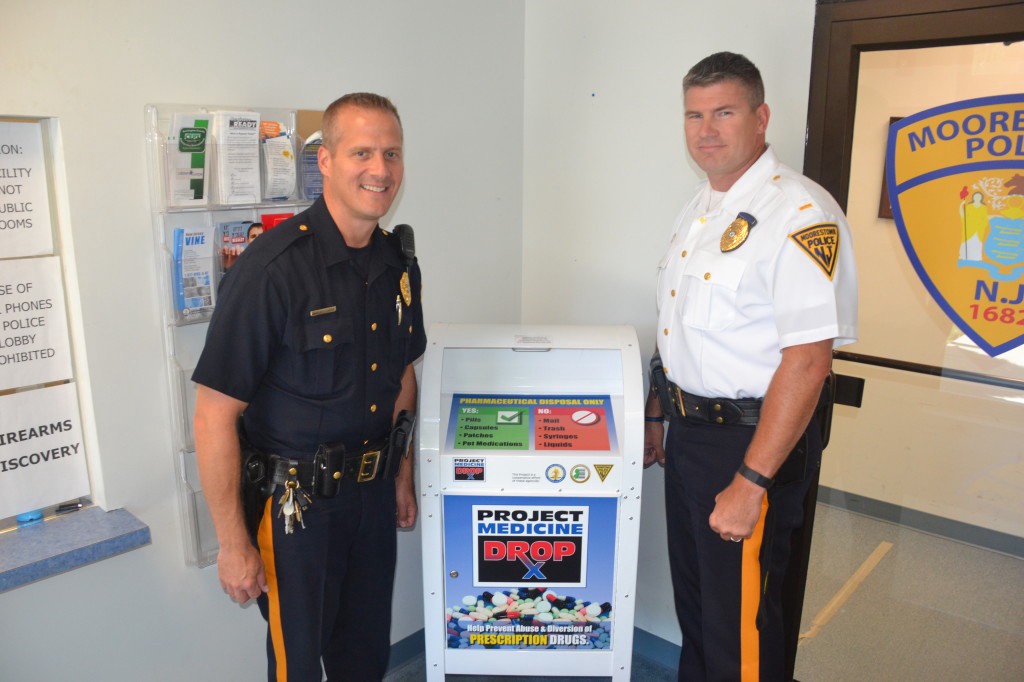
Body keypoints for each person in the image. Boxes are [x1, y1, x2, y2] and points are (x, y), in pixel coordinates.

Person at [193, 92, 425, 681]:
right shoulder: (271, 269)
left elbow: (402, 374)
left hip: (371, 502)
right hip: (296, 510)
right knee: (297, 669)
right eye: (362, 152)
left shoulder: (397, 264)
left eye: (391, 153)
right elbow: (214, 414)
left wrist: (401, 475)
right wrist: (231, 543)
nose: (380, 170)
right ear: (324, 160)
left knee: (363, 659)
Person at [644, 52, 857, 681]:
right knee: (702, 612)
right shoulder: (702, 208)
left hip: (750, 444)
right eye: (694, 115)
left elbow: (809, 360)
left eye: (724, 112)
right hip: (689, 437)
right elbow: (677, 322)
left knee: (743, 630)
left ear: (761, 117)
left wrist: (752, 482)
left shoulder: (799, 214)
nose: (706, 129)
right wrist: (661, 411)